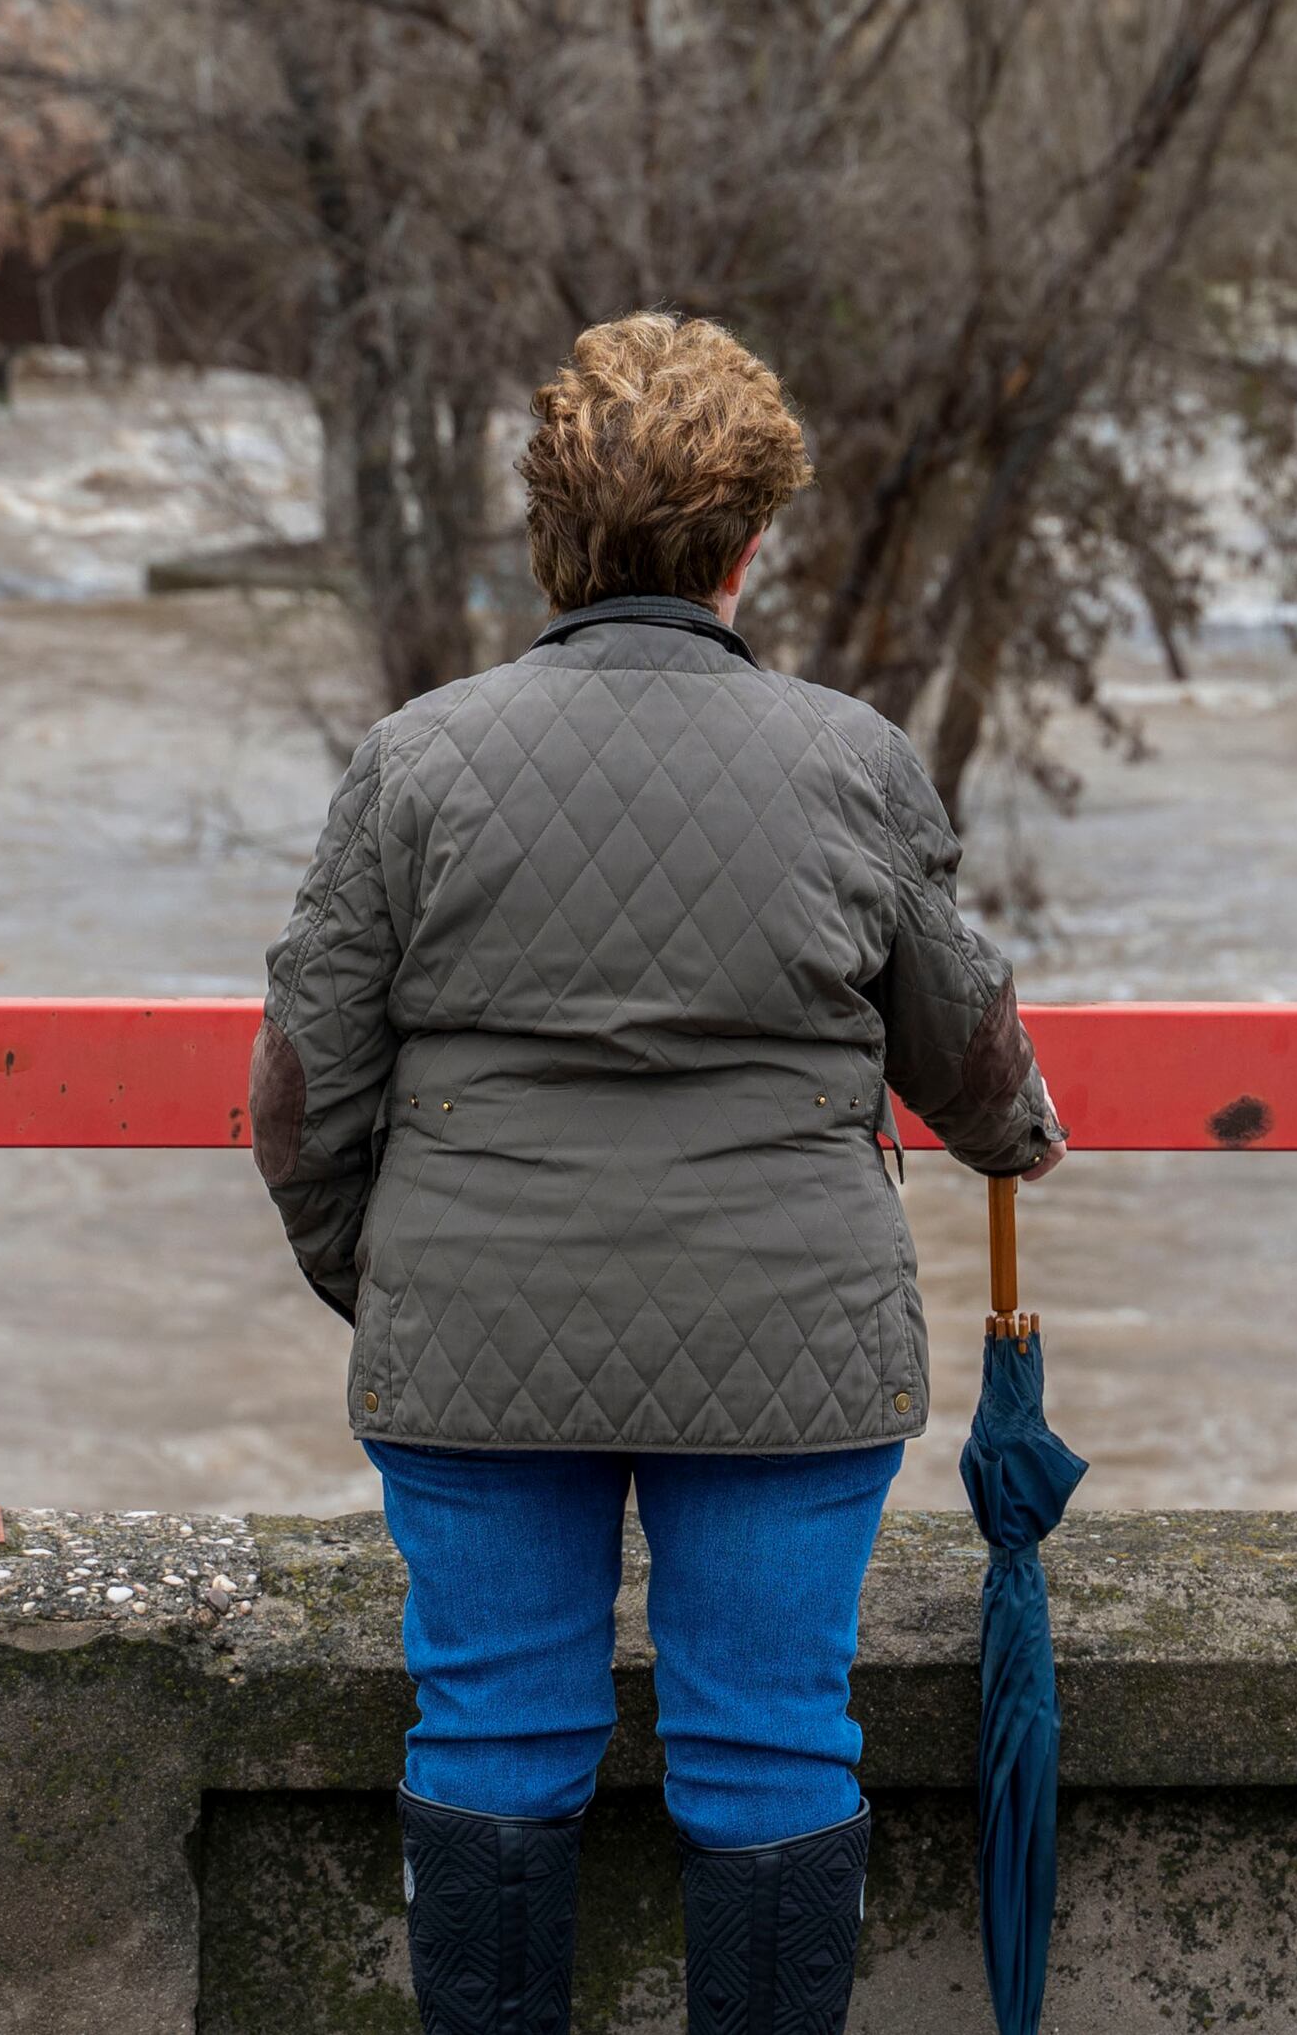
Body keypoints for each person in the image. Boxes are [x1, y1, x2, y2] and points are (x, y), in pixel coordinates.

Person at [250, 311, 1065, 2035]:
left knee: (489, 1730)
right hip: (791, 1336)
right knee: (772, 1736)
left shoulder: (414, 759)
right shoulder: (850, 759)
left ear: (549, 538)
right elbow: (974, 1065)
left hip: (476, 1336)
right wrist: (1020, 1133)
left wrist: (399, 1271)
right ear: (749, 544)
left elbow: (302, 1101)